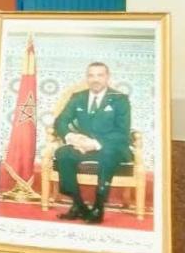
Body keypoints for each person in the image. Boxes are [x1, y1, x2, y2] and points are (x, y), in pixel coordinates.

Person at [53, 61, 132, 224]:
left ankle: (98, 207)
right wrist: (72, 137)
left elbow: (122, 132)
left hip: (111, 147)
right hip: (84, 146)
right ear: (87, 78)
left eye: (100, 75)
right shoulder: (78, 97)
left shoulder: (120, 99)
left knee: (107, 154)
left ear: (107, 77)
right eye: (91, 75)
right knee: (63, 153)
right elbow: (60, 121)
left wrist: (95, 143)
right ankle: (78, 205)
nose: (95, 79)